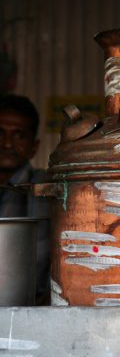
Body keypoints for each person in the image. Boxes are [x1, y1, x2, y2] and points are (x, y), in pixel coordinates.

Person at [0, 94, 51, 303]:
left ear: (34, 147)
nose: (7, 144)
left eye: (19, 135)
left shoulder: (46, 188)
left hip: (31, 306)